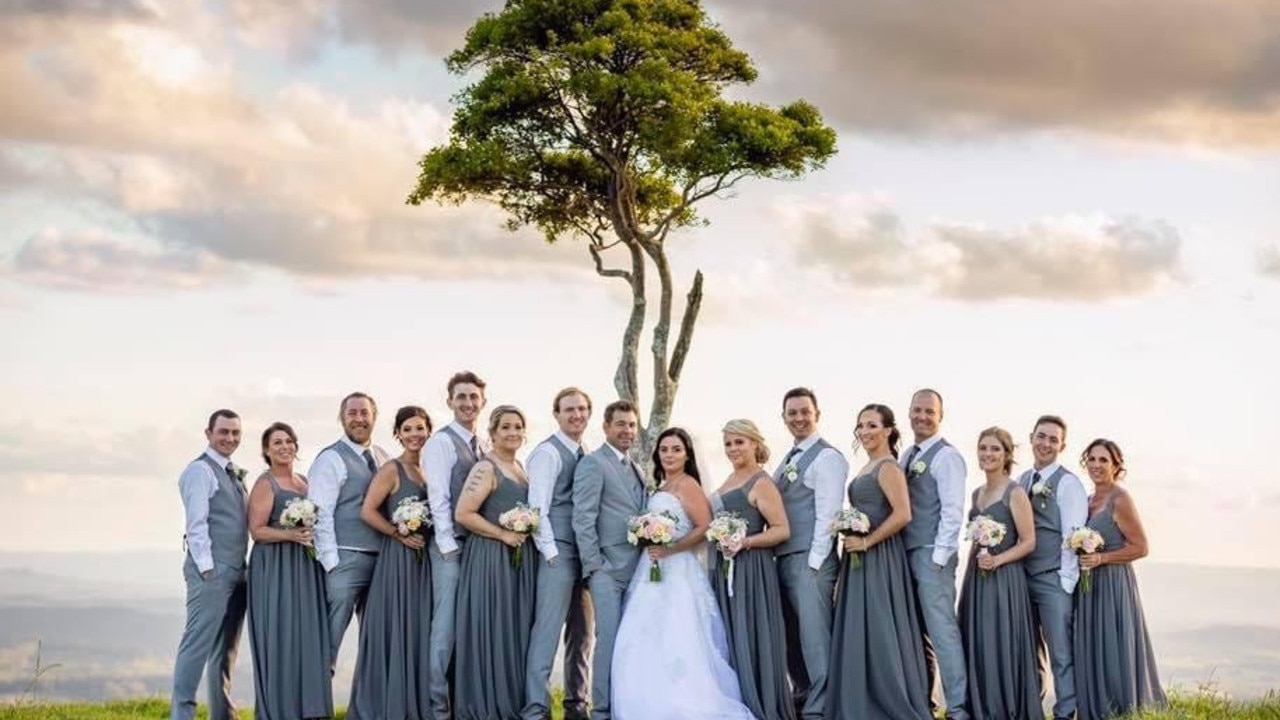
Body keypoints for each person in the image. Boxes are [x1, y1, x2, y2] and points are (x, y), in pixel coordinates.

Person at [611, 427, 754, 719]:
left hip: (678, 571)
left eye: (676, 449)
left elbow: (704, 527)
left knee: (678, 635)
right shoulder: (660, 488)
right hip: (650, 569)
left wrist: (672, 548)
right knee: (643, 636)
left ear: (687, 454)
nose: (669, 454)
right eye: (664, 449)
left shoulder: (688, 485)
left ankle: (682, 701)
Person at [828, 404, 932, 720]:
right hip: (858, 556)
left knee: (881, 625)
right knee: (862, 624)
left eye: (872, 425)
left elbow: (903, 514)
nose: (865, 432)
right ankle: (860, 697)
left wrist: (867, 541)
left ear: (888, 429)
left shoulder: (888, 467)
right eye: (861, 426)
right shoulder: (867, 466)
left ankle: (890, 700)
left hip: (880, 556)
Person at [348, 406, 436, 719]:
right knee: (396, 626)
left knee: (419, 628)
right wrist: (397, 535)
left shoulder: (428, 470)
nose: (415, 435)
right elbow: (368, 511)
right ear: (398, 434)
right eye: (408, 429)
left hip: (424, 560)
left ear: (429, 431)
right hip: (397, 560)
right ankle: (387, 703)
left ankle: (416, 699)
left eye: (420, 428)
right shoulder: (391, 470)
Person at [453, 405, 538, 720]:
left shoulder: (520, 466)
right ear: (492, 433)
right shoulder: (485, 468)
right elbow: (463, 513)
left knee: (514, 629)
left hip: (518, 560)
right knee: (494, 627)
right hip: (492, 559)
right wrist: (502, 535)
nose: (513, 432)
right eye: (506, 427)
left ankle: (513, 700)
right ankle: (487, 704)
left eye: (518, 426)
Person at [1074, 439, 1166, 720]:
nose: (1097, 465)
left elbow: (1141, 547)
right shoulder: (1087, 500)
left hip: (1114, 585)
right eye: (1092, 459)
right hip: (1089, 587)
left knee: (1114, 646)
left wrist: (1102, 559)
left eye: (1104, 460)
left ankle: (1123, 708)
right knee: (1092, 647)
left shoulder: (1120, 499)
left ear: (1116, 465)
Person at [246, 422, 332, 720]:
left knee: (307, 633)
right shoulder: (265, 483)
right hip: (275, 568)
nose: (285, 447)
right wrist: (289, 535)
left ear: (296, 445)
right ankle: (280, 709)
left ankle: (310, 708)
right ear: (267, 451)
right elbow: (256, 531)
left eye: (289, 441)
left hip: (305, 567)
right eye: (277, 443)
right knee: (281, 633)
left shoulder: (305, 482)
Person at [710, 419, 795, 720]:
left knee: (751, 634)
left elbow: (781, 529)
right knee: (730, 636)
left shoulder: (761, 482)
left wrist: (744, 542)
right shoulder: (730, 478)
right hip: (724, 570)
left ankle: (762, 704)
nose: (733, 449)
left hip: (751, 572)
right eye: (729, 443)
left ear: (755, 444)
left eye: (739, 442)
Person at [774, 387, 849, 720]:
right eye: (792, 413)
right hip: (784, 557)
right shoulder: (788, 457)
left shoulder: (827, 457)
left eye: (805, 411)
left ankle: (823, 707)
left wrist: (815, 563)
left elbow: (828, 515)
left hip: (810, 559)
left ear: (817, 414)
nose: (799, 418)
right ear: (784, 418)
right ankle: (803, 695)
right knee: (791, 635)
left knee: (815, 638)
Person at [957, 427, 1040, 719]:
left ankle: (1005, 707)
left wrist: (999, 560)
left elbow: (1029, 541)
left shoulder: (1014, 492)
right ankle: (980, 706)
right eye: (983, 448)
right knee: (977, 639)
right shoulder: (977, 493)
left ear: (1006, 454)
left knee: (1000, 641)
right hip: (976, 577)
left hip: (1004, 578)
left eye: (994, 449)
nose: (987, 454)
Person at [171, 409, 249, 720]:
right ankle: (183, 715)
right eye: (224, 432)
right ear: (208, 433)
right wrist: (208, 570)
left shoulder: (233, 472)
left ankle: (223, 714)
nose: (230, 438)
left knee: (224, 651)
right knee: (196, 647)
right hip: (213, 573)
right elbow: (197, 524)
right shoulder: (200, 471)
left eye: (235, 433)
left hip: (236, 571)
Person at [523, 388, 595, 720]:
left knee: (582, 636)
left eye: (581, 409)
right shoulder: (547, 454)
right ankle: (536, 709)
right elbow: (537, 507)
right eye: (569, 409)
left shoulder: (587, 452)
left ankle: (576, 707)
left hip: (585, 556)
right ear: (556, 414)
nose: (576, 415)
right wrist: (551, 554)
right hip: (558, 554)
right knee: (547, 635)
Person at [571, 400, 645, 720]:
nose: (627, 430)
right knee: (609, 640)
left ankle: (624, 706)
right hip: (607, 569)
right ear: (606, 427)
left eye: (631, 425)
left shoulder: (637, 468)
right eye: (621, 424)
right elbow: (583, 517)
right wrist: (595, 564)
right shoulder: (593, 463)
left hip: (637, 570)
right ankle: (600, 710)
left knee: (631, 642)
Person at [307, 392, 391, 671]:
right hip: (345, 559)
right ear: (342, 418)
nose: (359, 419)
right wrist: (332, 563)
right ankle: (313, 710)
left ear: (374, 418)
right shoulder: (331, 458)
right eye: (352, 413)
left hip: (381, 560)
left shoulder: (382, 457)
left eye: (364, 413)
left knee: (376, 637)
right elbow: (321, 514)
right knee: (329, 639)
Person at [900, 389, 969, 720]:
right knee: (918, 635)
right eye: (917, 410)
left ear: (940, 416)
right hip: (907, 553)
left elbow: (954, 511)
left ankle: (958, 709)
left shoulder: (947, 457)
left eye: (929, 411)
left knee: (942, 633)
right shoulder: (906, 456)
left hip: (931, 554)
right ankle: (925, 705)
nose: (922, 416)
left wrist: (939, 558)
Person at [423, 371, 488, 720]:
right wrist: (447, 544)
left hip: (480, 551)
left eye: (473, 397)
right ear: (449, 401)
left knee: (469, 627)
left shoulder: (485, 446)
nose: (467, 403)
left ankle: (465, 702)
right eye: (460, 397)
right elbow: (439, 495)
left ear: (482, 402)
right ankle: (437, 708)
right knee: (444, 629)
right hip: (450, 548)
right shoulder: (441, 443)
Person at [1017, 415, 1087, 720]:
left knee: (1060, 652)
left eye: (1053, 439)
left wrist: (1066, 581)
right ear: (1031, 437)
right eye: (1041, 436)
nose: (1046, 444)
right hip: (1021, 577)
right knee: (1030, 651)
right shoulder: (1022, 480)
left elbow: (1072, 534)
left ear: (1062, 445)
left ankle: (1065, 713)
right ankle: (1033, 708)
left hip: (1052, 580)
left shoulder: (1068, 483)